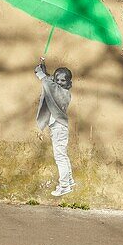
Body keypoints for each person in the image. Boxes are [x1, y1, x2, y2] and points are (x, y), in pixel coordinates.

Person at [34, 58, 75, 197]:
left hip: (59, 128)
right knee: (62, 155)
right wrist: (44, 68)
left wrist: (40, 74)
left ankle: (64, 185)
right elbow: (51, 83)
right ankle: (69, 181)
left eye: (63, 80)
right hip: (58, 127)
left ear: (68, 82)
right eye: (57, 79)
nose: (59, 82)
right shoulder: (58, 88)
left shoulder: (63, 93)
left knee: (60, 157)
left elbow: (50, 85)